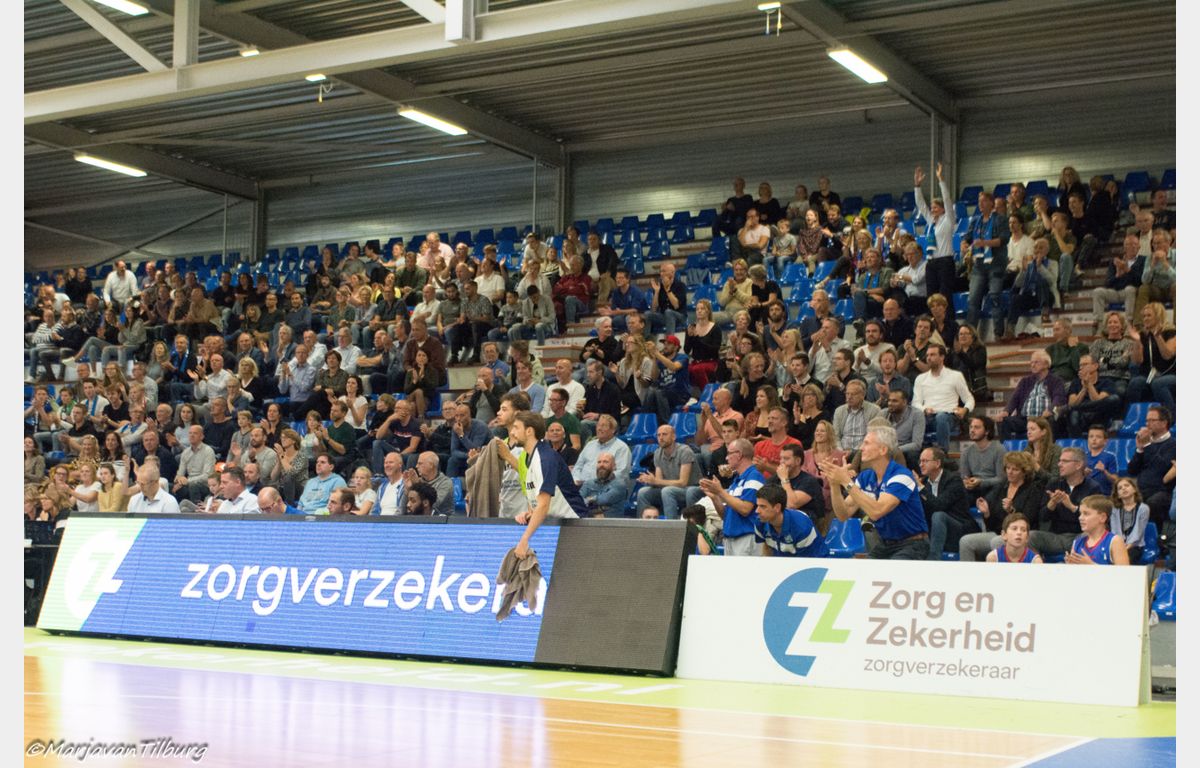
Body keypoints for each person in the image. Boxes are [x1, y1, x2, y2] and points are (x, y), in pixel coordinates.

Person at [821, 424, 929, 560]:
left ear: (883, 450)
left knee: (891, 570)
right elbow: (843, 515)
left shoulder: (901, 475)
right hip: (885, 543)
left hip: (913, 543)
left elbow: (877, 511)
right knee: (862, 571)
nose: (861, 448)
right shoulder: (866, 477)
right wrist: (834, 484)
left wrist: (846, 481)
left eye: (866, 443)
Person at [494, 411, 589, 558]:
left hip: (575, 524)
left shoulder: (545, 458)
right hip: (555, 524)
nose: (512, 432)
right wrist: (530, 513)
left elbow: (544, 504)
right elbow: (537, 498)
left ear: (529, 431)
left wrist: (524, 540)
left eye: (516, 428)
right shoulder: (528, 457)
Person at [698, 438, 765, 556]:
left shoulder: (754, 477)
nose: (726, 457)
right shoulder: (736, 481)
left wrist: (720, 491)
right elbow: (725, 516)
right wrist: (714, 497)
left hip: (746, 538)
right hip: (730, 538)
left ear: (739, 455)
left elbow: (745, 509)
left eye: (729, 453)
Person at [635, 424, 702, 520]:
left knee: (667, 491)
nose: (661, 438)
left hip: (690, 489)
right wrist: (650, 480)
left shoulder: (685, 451)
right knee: (643, 492)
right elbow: (659, 482)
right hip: (669, 489)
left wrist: (656, 481)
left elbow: (683, 482)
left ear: (673, 437)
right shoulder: (658, 453)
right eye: (658, 435)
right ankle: (643, 525)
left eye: (664, 434)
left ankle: (671, 525)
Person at [912, 163, 958, 299]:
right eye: (932, 208)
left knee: (944, 296)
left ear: (943, 209)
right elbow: (921, 205)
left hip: (945, 262)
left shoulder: (948, 219)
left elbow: (947, 199)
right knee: (931, 296)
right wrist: (917, 186)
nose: (932, 210)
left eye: (936, 207)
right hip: (931, 263)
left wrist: (941, 180)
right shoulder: (931, 222)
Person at [999, 351, 1067, 440]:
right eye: (1031, 362)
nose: (1032, 365)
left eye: (1036, 362)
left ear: (1046, 364)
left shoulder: (1056, 381)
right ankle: (1006, 448)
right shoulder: (1025, 381)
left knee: (1053, 420)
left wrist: (1050, 410)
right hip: (1025, 419)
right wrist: (1006, 411)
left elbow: (1059, 398)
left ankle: (1049, 447)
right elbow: (1015, 399)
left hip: (1044, 419)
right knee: (1004, 421)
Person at [917, 447, 970, 560]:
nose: (921, 465)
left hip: (958, 529)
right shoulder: (924, 483)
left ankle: (933, 559)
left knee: (938, 515)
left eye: (925, 461)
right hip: (934, 531)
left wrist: (920, 488)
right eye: (920, 461)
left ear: (937, 463)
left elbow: (939, 505)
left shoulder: (954, 480)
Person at [1127, 405, 1175, 526]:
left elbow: (1162, 468)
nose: (1148, 424)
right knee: (1118, 502)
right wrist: (1139, 450)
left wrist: (1148, 445)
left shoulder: (1174, 445)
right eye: (1147, 420)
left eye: (1152, 420)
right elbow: (1132, 471)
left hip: (1162, 491)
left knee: (1151, 504)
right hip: (1141, 490)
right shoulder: (1147, 443)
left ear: (1164, 423)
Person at [753, 484, 829, 558]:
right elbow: (767, 548)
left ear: (777, 507)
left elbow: (805, 562)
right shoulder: (760, 521)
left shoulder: (801, 527)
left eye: (762, 506)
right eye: (757, 505)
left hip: (816, 562)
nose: (757, 511)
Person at [1127, 302, 1176, 413]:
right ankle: (1134, 416)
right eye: (1144, 316)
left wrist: (1158, 337)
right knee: (1135, 383)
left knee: (1158, 383)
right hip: (1148, 375)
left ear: (1158, 316)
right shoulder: (1143, 335)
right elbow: (1137, 361)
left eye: (1149, 315)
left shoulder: (1171, 333)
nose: (1145, 319)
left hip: (1169, 374)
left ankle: (1170, 417)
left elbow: (1167, 355)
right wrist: (1137, 341)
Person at [1067, 495, 1130, 566]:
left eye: (1086, 514)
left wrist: (1091, 565)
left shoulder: (1115, 541)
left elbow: (1124, 572)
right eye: (1080, 513)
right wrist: (1070, 566)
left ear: (1102, 517)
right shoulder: (1077, 542)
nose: (1080, 518)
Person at [1110, 477, 1150, 565]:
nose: (1123, 488)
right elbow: (1114, 529)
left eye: (1126, 485)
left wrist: (1128, 546)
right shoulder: (1115, 510)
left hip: (1135, 545)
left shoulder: (1143, 508)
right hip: (1118, 544)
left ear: (1134, 489)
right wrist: (1119, 545)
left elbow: (1139, 531)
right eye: (1120, 488)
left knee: (1125, 559)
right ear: (1118, 495)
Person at [403, 451, 455, 516]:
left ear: (431, 465)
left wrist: (417, 486)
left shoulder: (446, 483)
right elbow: (404, 508)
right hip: (418, 517)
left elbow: (433, 504)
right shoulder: (418, 481)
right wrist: (408, 489)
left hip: (443, 519)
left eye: (420, 463)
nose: (416, 466)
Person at [579, 452, 629, 518]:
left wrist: (589, 500)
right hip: (588, 520)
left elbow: (604, 500)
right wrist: (598, 510)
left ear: (614, 466)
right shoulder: (588, 483)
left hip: (612, 523)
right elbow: (578, 501)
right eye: (599, 462)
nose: (601, 465)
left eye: (606, 462)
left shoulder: (620, 484)